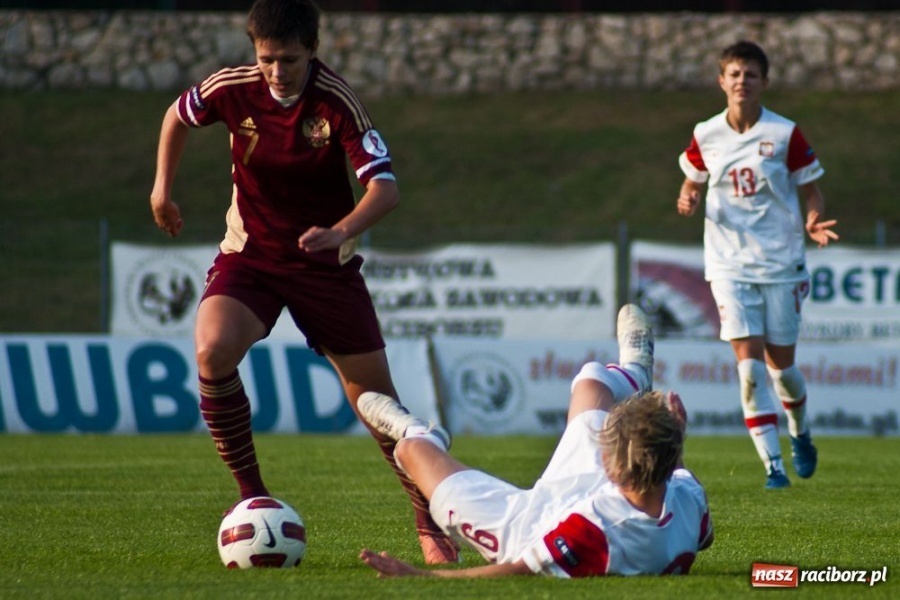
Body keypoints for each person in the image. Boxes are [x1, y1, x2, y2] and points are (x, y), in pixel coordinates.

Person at [148, 0, 459, 563]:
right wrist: (161, 190)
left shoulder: (335, 101)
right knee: (212, 351)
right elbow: (177, 115)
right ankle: (252, 497)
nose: (276, 71)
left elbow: (385, 190)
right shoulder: (231, 88)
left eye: (289, 59)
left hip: (325, 268)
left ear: (311, 52)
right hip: (251, 258)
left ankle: (426, 518)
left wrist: (340, 231)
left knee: (375, 404)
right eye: (266, 59)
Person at [358, 305, 714, 578]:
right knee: (591, 380)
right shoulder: (686, 496)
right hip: (607, 490)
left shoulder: (599, 529)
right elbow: (703, 535)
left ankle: (423, 433)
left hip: (523, 525)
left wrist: (419, 576)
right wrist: (672, 446)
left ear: (610, 465)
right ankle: (637, 373)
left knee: (410, 450)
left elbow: (516, 570)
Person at [675, 41, 838, 489]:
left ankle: (800, 432)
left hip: (781, 262)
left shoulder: (784, 134)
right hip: (728, 264)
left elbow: (812, 191)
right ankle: (773, 468)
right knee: (749, 370)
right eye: (734, 73)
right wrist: (688, 197)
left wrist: (813, 219)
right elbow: (692, 181)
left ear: (764, 82)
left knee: (781, 370)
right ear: (721, 81)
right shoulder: (706, 133)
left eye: (750, 74)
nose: (742, 81)